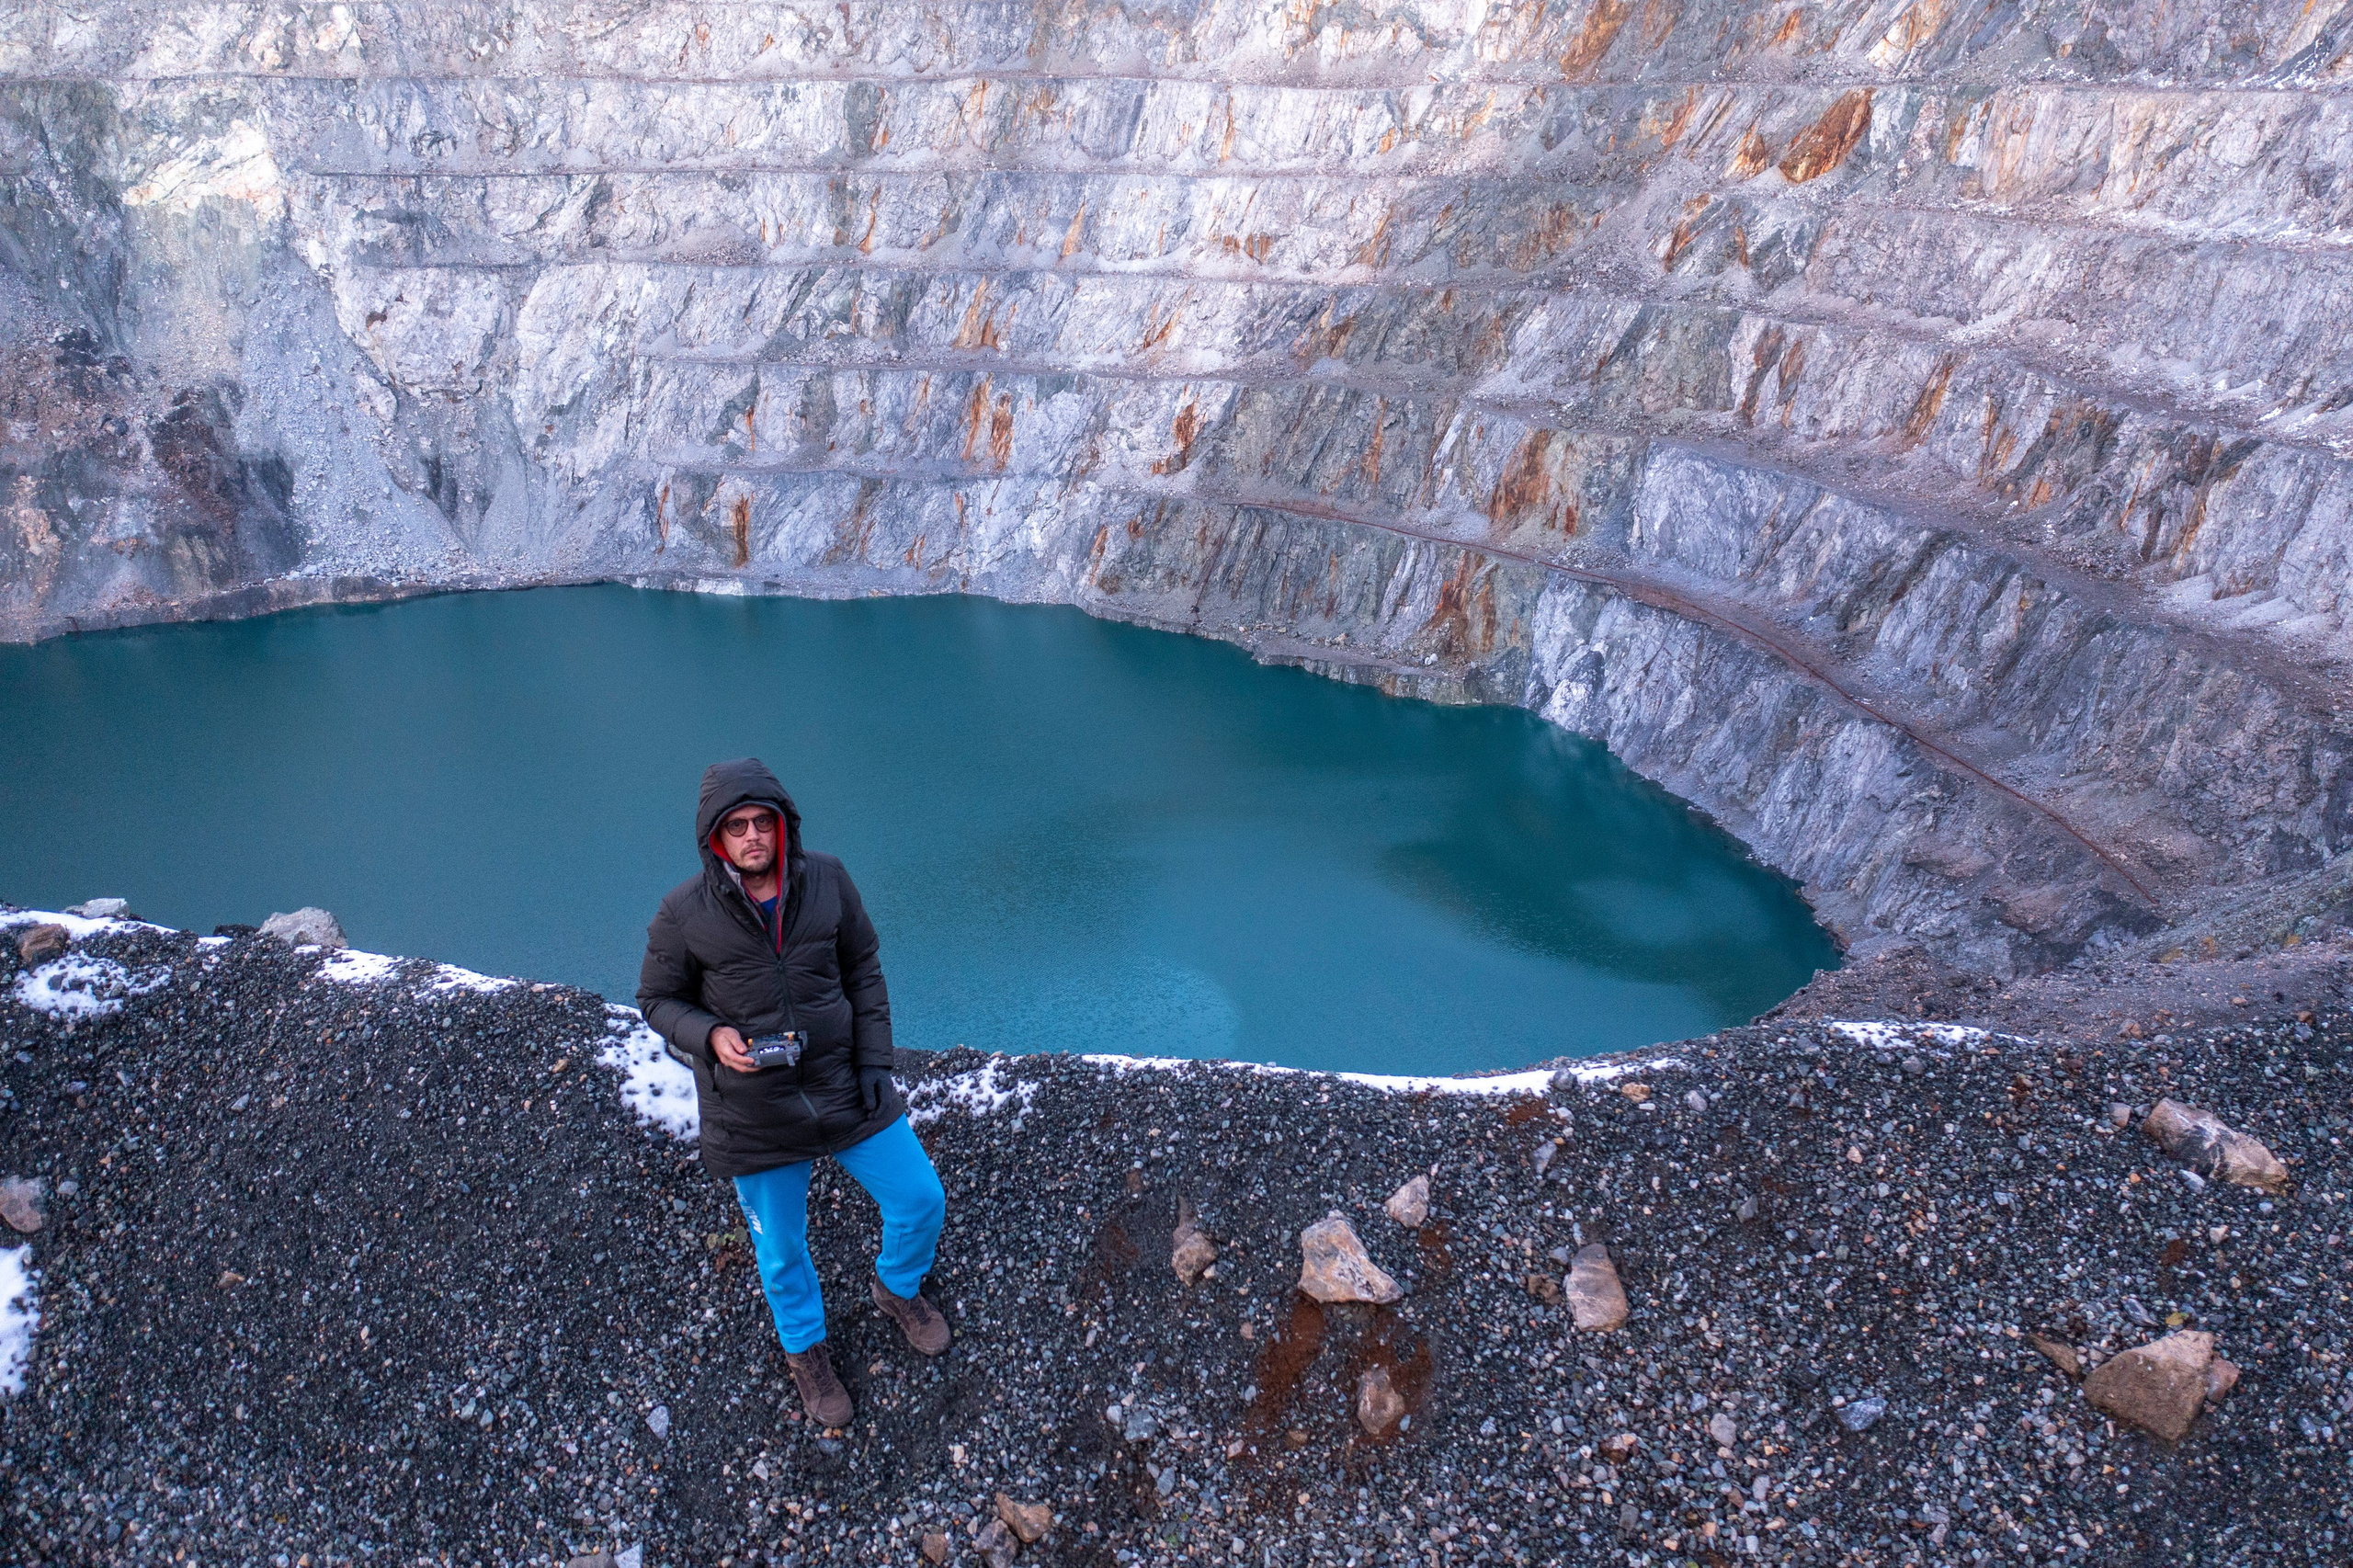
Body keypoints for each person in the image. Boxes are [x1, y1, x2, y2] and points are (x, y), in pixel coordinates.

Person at [638, 757, 949, 1428]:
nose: (753, 837)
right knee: (781, 1248)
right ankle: (806, 1353)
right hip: (755, 1111)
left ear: (784, 826)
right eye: (737, 827)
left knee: (921, 1198)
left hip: (842, 1083)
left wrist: (875, 1060)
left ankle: (896, 1289)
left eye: (763, 823)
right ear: (715, 840)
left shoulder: (828, 880)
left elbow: (863, 967)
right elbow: (658, 1000)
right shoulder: (683, 912)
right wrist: (712, 1033)